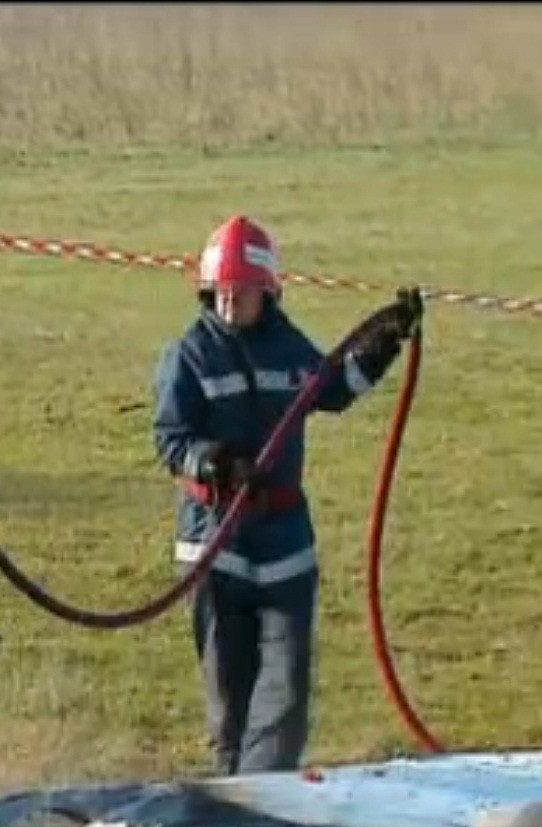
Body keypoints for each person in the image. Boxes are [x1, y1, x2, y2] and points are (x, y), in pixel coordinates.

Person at [151, 215, 424, 776]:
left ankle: (267, 809)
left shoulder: (288, 346)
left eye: (241, 295)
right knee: (231, 703)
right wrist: (218, 463)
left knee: (285, 702)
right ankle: (233, 824)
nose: (229, 307)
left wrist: (385, 341)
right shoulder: (189, 355)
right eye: (220, 295)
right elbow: (171, 439)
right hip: (215, 549)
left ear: (267, 293)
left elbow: (333, 389)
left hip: (285, 552)